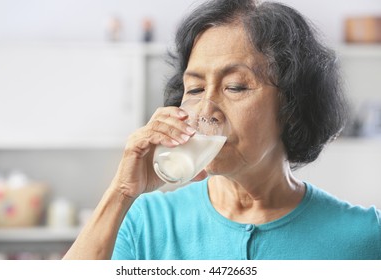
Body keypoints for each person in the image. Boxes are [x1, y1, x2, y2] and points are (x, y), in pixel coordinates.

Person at [63, 0, 381, 260]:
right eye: (196, 89)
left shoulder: (364, 236)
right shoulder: (147, 221)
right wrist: (121, 192)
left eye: (235, 86)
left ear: (292, 105)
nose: (206, 110)